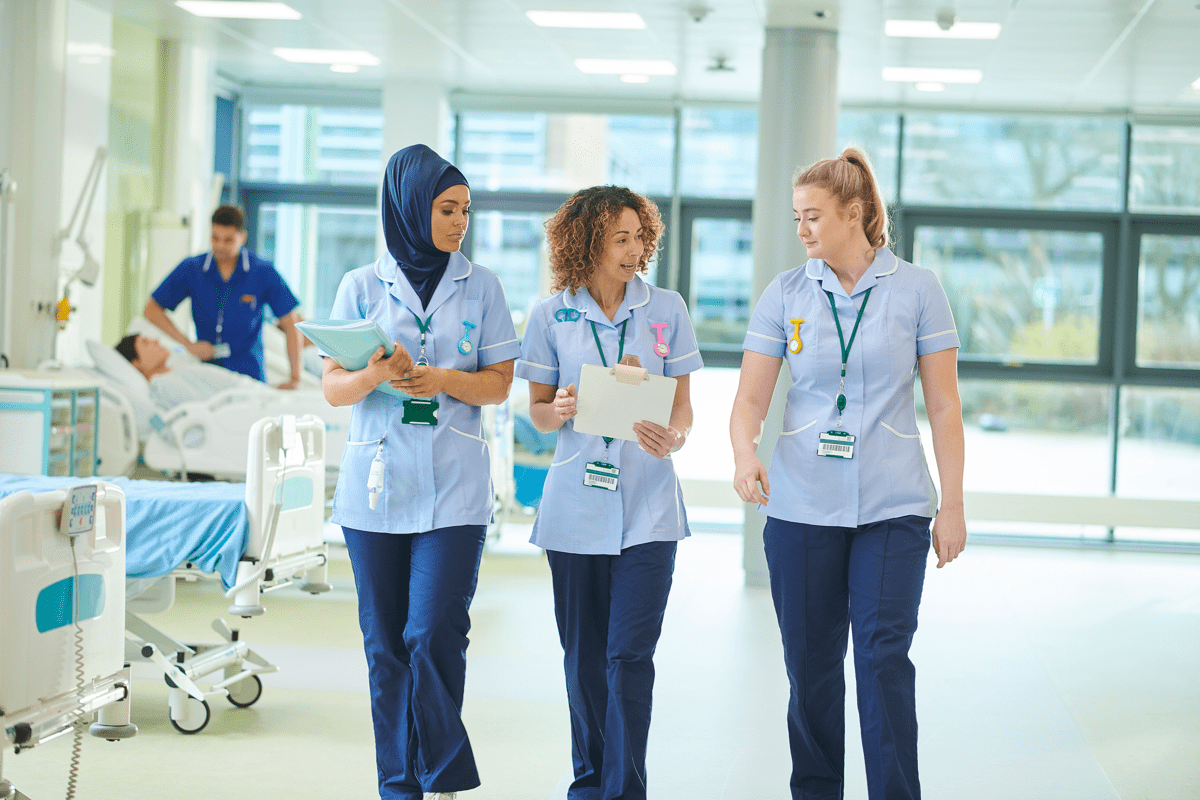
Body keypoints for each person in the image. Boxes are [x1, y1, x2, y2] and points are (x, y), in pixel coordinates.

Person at [729, 146, 966, 800]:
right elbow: (749, 400)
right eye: (797, 216)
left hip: (894, 508)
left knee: (883, 661)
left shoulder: (918, 289)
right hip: (801, 507)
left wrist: (953, 505)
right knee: (810, 671)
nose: (801, 229)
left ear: (854, 213)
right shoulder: (786, 292)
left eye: (813, 216)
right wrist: (745, 453)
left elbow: (944, 404)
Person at [320, 144, 519, 800]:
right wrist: (378, 371)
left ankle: (441, 771)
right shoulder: (359, 285)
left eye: (465, 209)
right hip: (376, 489)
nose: (460, 221)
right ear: (410, 209)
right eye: (446, 208)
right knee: (386, 649)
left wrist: (441, 379)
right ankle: (400, 787)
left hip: (456, 488)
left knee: (432, 633)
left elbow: (497, 385)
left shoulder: (482, 284)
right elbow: (333, 389)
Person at [516, 186, 702, 800]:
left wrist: (673, 437)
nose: (633, 249)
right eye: (619, 238)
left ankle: (624, 790)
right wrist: (560, 407)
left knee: (629, 656)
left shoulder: (666, 308)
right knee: (583, 660)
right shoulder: (551, 314)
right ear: (588, 241)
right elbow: (538, 414)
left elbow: (683, 409)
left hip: (649, 510)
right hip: (574, 510)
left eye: (639, 237)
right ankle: (589, 783)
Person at [144, 204, 305, 388]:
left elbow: (291, 322)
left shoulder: (262, 272)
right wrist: (188, 344)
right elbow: (151, 310)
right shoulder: (192, 269)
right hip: (206, 376)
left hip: (249, 377)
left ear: (242, 237)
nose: (220, 246)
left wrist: (295, 377)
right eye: (215, 238)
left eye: (228, 240)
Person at [115, 332, 253, 409]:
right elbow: (209, 410)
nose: (156, 340)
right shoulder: (163, 385)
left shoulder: (179, 371)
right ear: (136, 364)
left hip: (250, 397)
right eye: (146, 343)